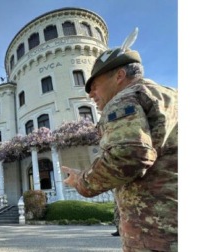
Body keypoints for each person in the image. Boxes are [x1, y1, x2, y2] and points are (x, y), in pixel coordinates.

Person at [61, 29, 177, 252]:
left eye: (94, 85)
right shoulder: (173, 97)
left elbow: (127, 156)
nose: (91, 94)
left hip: (157, 233)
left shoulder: (123, 99)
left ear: (119, 76)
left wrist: (82, 182)